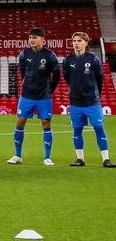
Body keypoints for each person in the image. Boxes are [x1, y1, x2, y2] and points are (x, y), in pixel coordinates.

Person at [62, 31, 115, 168]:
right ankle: (80, 159)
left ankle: (106, 159)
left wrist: (93, 92)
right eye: (74, 41)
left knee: (98, 127)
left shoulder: (93, 59)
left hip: (92, 101)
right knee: (77, 129)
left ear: (86, 43)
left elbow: (99, 77)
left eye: (79, 41)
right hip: (75, 102)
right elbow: (68, 79)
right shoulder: (68, 60)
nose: (76, 43)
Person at [9, 27, 60, 166]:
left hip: (44, 96)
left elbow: (56, 74)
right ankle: (17, 155)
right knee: (20, 122)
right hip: (26, 95)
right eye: (30, 38)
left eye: (35, 38)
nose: (32, 40)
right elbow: (23, 72)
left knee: (46, 124)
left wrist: (50, 90)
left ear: (42, 39)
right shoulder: (24, 54)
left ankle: (47, 157)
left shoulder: (50, 55)